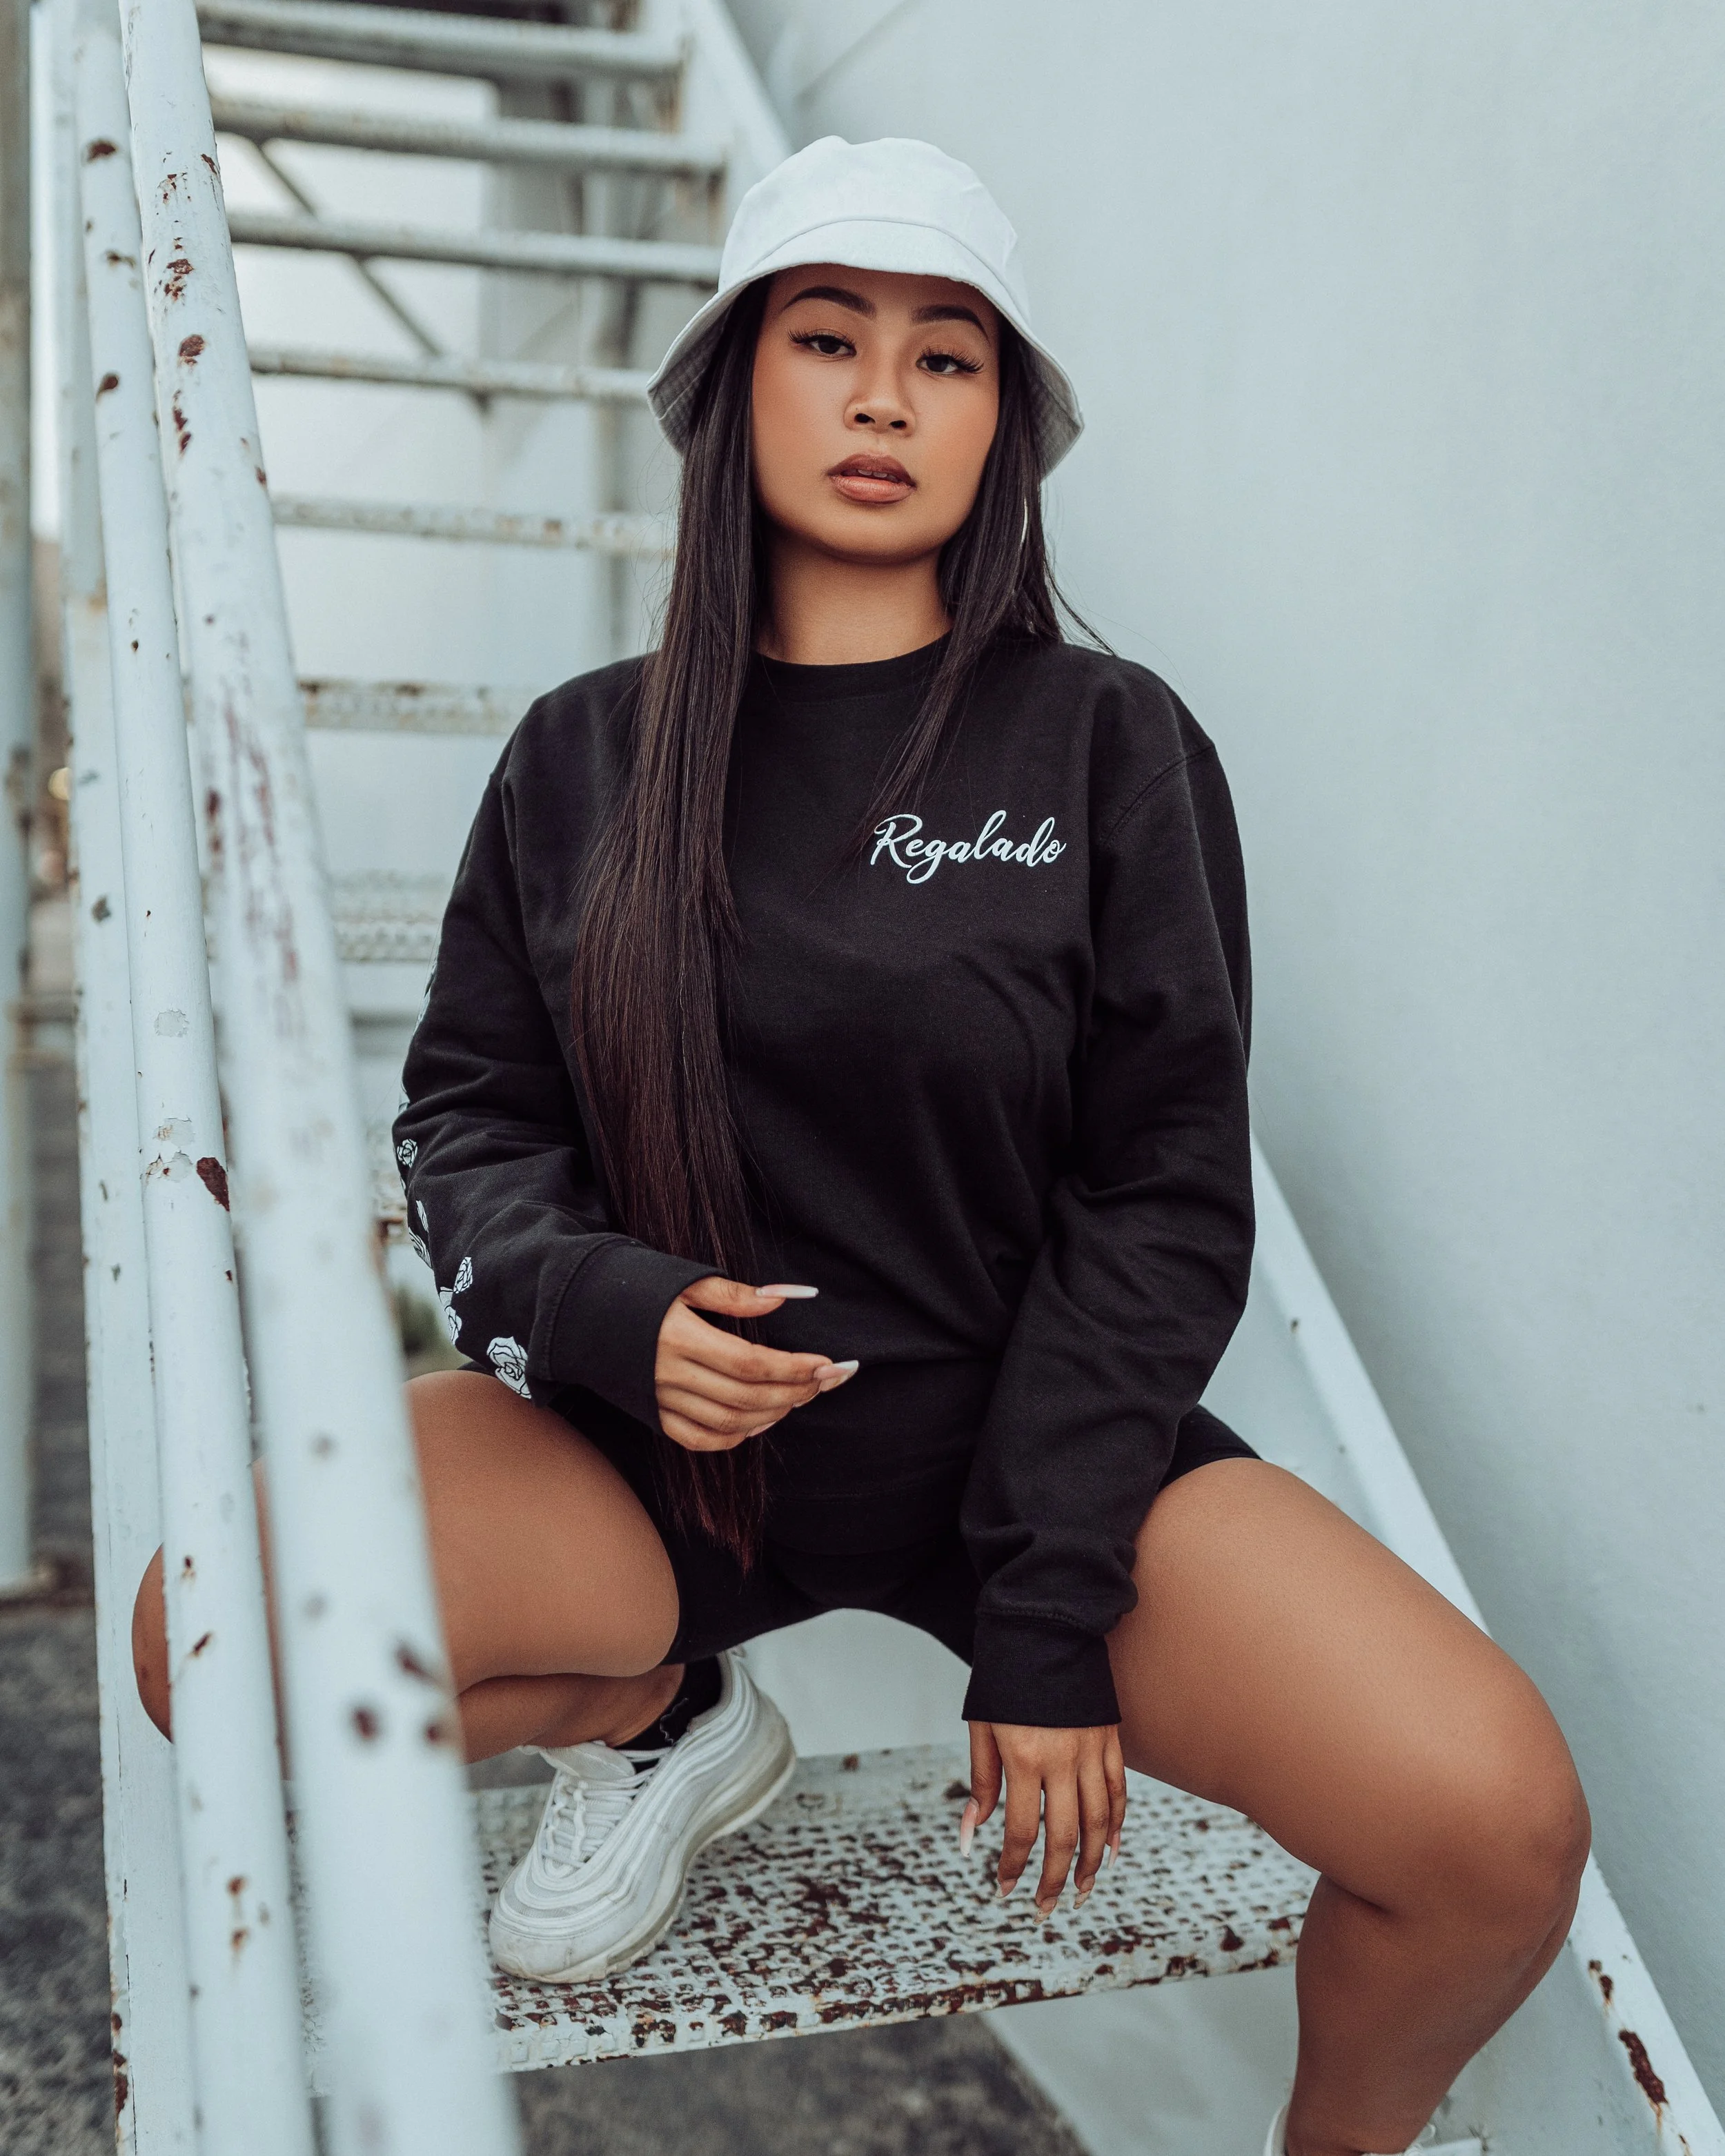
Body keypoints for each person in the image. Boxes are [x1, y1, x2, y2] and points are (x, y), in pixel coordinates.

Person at [132, 137, 1589, 2156]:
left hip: (1016, 1445)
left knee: (1492, 1818)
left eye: (949, 356)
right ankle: (662, 1719)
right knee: (211, 1636)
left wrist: (1049, 1607)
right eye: (828, 338)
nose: (888, 394)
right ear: (738, 389)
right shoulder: (582, 752)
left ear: (1005, 424)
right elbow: (467, 1112)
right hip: (650, 1462)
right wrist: (599, 1303)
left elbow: (1160, 1189)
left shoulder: (1102, 741)